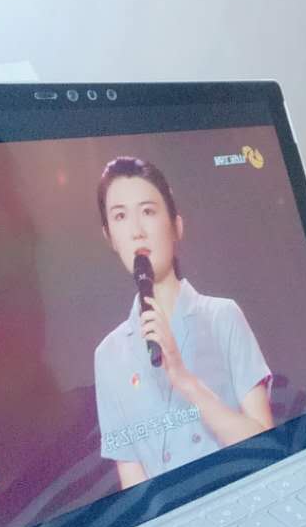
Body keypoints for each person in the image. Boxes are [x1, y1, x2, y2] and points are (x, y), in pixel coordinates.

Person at [93, 155, 273, 488]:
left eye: (148, 212)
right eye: (120, 216)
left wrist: (185, 380)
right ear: (110, 237)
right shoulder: (108, 355)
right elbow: (132, 480)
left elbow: (266, 449)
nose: (136, 231)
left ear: (176, 226)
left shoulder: (223, 316)